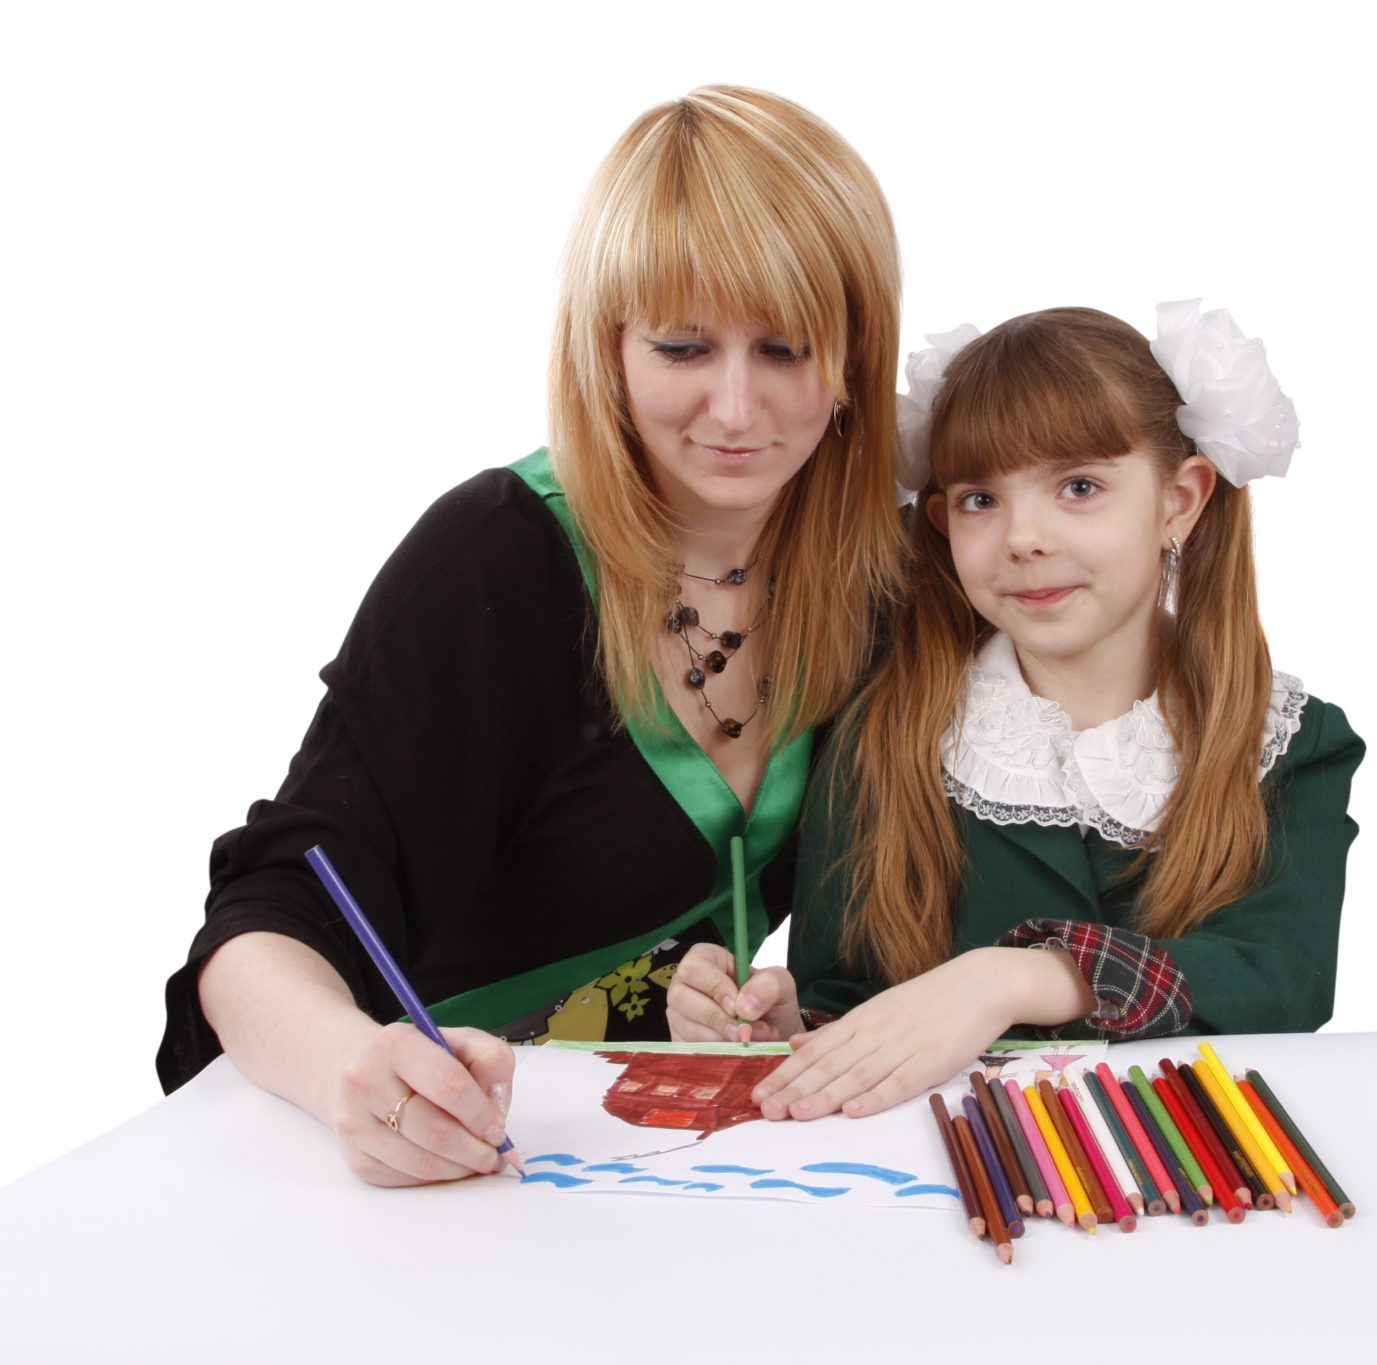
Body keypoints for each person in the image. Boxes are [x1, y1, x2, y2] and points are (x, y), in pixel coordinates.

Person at [156, 86, 904, 1184]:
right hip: (411, 1160)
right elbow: (262, 926)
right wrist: (352, 1071)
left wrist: (748, 1000)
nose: (736, 409)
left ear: (853, 354)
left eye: (786, 348)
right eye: (684, 346)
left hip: (651, 1166)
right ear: (608, 345)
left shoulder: (885, 580)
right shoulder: (493, 559)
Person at [667, 303, 1364, 1122]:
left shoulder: (1287, 743)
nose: (1023, 537)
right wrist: (789, 1025)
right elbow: (848, 996)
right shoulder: (885, 736)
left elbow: (1281, 982)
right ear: (941, 523)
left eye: (1079, 486)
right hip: (959, 1181)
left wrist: (1016, 977)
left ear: (1180, 499)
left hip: (1192, 1190)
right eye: (979, 500)